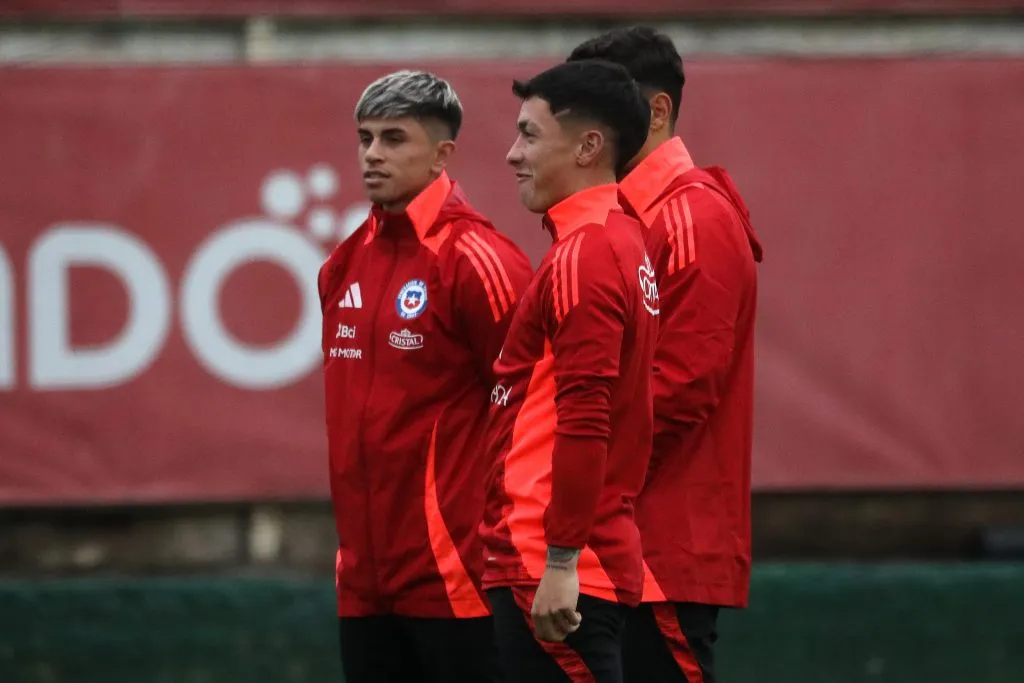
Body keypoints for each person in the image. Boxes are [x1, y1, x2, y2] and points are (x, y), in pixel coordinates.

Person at [318, 69, 533, 683]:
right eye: (365, 139)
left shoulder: (479, 260)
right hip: (364, 587)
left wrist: (511, 547)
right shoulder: (342, 264)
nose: (372, 154)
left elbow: (531, 410)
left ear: (442, 155)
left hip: (459, 580)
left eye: (394, 139)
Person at [567, 27, 765, 683]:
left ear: (656, 112)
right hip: (611, 546)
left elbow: (679, 388)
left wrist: (567, 476)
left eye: (596, 113)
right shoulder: (617, 219)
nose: (581, 136)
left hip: (659, 553)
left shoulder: (692, 218)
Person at [479, 59, 659, 683]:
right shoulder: (617, 240)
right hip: (562, 558)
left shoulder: (587, 253)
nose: (512, 154)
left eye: (529, 134)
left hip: (552, 566)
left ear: (588, 147)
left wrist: (560, 561)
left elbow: (587, 415)